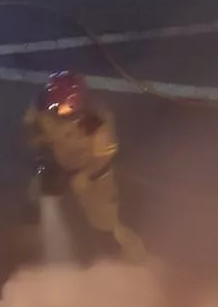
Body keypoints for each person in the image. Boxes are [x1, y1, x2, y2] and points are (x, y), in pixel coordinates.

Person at [23, 71, 147, 262]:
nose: (55, 110)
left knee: (105, 220)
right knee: (39, 192)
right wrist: (41, 153)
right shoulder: (44, 105)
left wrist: (85, 174)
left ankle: (131, 255)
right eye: (53, 105)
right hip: (59, 162)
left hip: (93, 174)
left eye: (60, 106)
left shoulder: (96, 120)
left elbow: (104, 154)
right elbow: (32, 126)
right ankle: (32, 226)